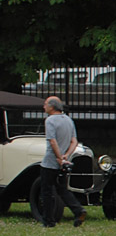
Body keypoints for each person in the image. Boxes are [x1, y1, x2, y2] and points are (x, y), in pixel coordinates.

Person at [40, 96, 86, 227]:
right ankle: (78, 210)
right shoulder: (68, 120)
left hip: (50, 161)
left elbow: (52, 141)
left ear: (52, 107)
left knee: (47, 191)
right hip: (64, 161)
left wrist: (59, 157)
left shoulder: (50, 121)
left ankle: (49, 220)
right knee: (62, 189)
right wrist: (66, 155)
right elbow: (74, 141)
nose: (44, 107)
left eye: (45, 104)